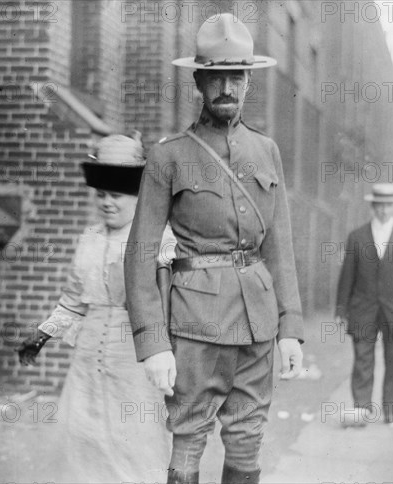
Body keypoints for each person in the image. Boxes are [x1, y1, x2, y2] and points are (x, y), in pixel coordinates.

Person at [124, 13, 304, 484]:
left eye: (237, 77)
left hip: (259, 322)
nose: (227, 87)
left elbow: (280, 247)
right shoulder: (169, 156)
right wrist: (153, 343)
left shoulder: (267, 152)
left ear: (248, 82)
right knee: (188, 435)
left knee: (248, 435)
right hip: (194, 323)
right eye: (216, 77)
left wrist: (291, 328)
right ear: (199, 82)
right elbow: (140, 253)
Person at [17, 133, 172, 483]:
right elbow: (73, 301)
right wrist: (43, 334)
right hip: (87, 360)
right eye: (101, 195)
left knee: (133, 443)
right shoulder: (89, 237)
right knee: (81, 441)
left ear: (135, 196)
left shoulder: (159, 238)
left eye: (115, 195)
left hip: (134, 356)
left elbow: (169, 302)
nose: (106, 203)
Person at [335, 183, 393, 426]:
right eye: (380, 206)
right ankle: (361, 410)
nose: (384, 211)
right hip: (362, 309)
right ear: (373, 207)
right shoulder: (357, 236)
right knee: (362, 359)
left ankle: (390, 411)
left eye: (389, 205)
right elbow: (347, 275)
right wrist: (341, 309)